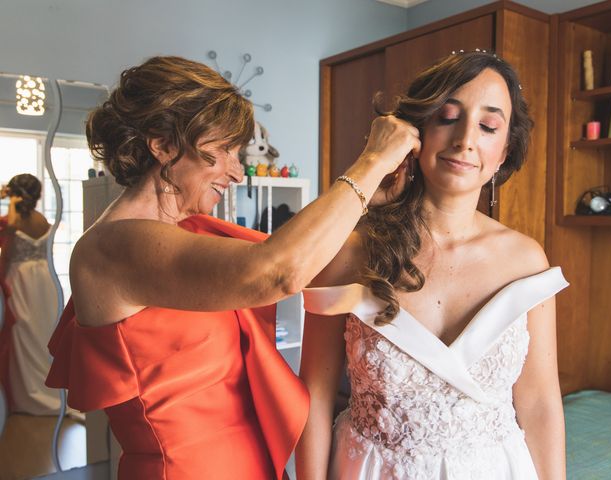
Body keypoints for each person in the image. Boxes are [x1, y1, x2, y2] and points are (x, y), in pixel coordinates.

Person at [44, 56, 419, 480]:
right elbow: (278, 272)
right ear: (163, 145)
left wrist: (376, 199)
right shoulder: (113, 247)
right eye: (223, 151)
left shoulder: (188, 232)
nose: (237, 172)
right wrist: (369, 163)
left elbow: (315, 257)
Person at [297, 51, 568, 480]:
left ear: (505, 150)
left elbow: (539, 403)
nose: (465, 139)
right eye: (447, 117)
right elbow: (313, 392)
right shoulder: (350, 253)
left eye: (488, 126)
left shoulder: (526, 260)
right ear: (416, 131)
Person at [0, 174, 60, 415]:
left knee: (23, 333)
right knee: (42, 331)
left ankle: (29, 394)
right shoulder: (42, 220)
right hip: (44, 281)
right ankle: (50, 390)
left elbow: (6, 255)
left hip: (20, 280)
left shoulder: (11, 222)